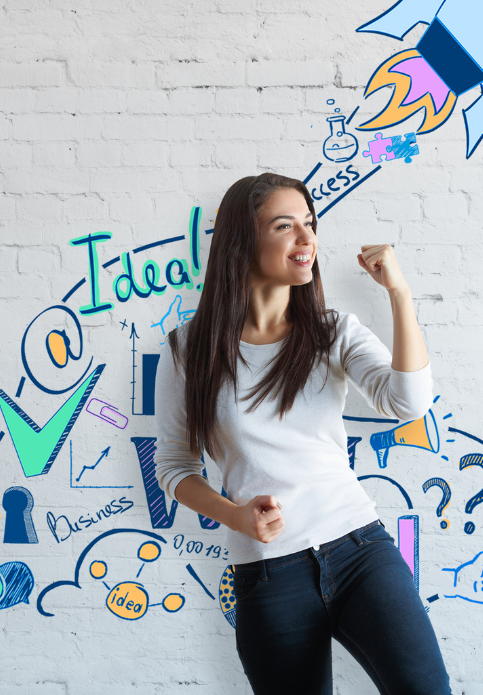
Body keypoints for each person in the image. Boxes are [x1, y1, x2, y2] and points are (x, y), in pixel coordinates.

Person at [154, 173, 452, 694]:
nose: (307, 239)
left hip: (361, 551)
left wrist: (399, 294)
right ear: (244, 240)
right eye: (285, 226)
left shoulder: (333, 332)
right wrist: (234, 515)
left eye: (309, 224)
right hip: (269, 574)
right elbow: (175, 468)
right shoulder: (188, 350)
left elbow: (408, 402)